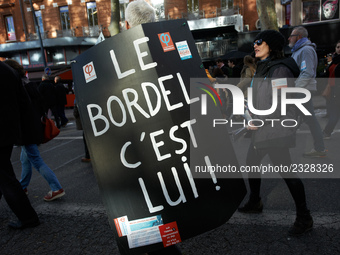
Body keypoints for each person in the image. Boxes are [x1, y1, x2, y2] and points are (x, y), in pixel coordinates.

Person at [238, 30, 313, 236]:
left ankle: (304, 217)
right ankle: (255, 201)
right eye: (254, 42)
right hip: (262, 128)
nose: (255, 45)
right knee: (251, 162)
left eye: (259, 42)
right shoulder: (264, 67)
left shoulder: (279, 70)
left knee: (287, 172)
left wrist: (257, 120)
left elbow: (280, 104)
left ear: (271, 45)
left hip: (275, 130)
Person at [125, 1, 182, 254]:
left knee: (147, 203)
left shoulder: (117, 58)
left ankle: (159, 245)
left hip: (138, 150)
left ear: (127, 25)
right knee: (168, 199)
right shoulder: (171, 48)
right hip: (171, 143)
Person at [4, 59, 65, 202]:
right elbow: (41, 106)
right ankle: (23, 186)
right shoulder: (30, 84)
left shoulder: (17, 86)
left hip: (25, 130)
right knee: (25, 159)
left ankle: (56, 188)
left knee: (36, 160)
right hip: (33, 127)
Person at [0, 61, 40, 229]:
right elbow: (24, 103)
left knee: (5, 177)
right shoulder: (8, 70)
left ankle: (28, 217)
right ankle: (28, 216)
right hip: (8, 130)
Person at [288, 26, 326, 158]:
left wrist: (295, 89)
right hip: (301, 90)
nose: (289, 38)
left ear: (299, 37)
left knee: (307, 119)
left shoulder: (306, 50)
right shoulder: (299, 50)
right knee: (297, 118)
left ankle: (320, 149)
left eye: (291, 36)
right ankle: (281, 147)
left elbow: (307, 72)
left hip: (302, 91)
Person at [323, 40, 340, 139]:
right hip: (332, 89)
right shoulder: (334, 60)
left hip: (337, 90)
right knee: (333, 112)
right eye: (337, 47)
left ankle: (327, 132)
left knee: (334, 113)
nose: (339, 49)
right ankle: (327, 132)